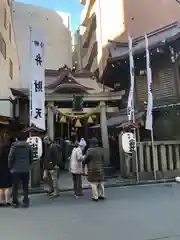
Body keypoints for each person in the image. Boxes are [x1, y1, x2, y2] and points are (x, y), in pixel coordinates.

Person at [8, 134, 33, 208]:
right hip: (25, 169)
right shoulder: (28, 146)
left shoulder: (14, 146)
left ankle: (15, 201)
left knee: (15, 186)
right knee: (25, 186)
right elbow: (31, 157)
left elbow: (10, 157)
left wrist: (10, 167)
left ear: (17, 139)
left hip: (16, 169)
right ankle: (25, 201)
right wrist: (29, 166)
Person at [83, 137, 105, 202]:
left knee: (93, 183)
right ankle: (102, 195)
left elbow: (85, 159)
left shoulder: (90, 150)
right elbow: (103, 159)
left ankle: (95, 197)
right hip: (100, 167)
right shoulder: (101, 150)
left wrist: (84, 162)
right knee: (100, 182)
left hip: (92, 169)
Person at [0, 134, 12, 206]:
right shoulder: (7, 149)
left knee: (0, 187)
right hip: (6, 168)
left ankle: (0, 201)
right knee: (7, 187)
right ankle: (7, 201)